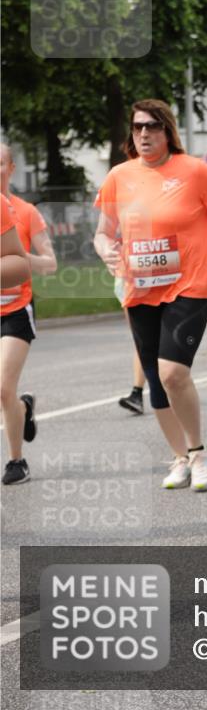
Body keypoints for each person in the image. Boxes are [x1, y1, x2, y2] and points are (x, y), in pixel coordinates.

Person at [94, 99, 207, 490]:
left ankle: (199, 453)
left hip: (189, 286)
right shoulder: (119, 176)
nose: (144, 134)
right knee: (155, 379)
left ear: (167, 131)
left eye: (152, 127)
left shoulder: (195, 172)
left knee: (173, 372)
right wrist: (106, 249)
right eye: (137, 127)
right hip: (139, 288)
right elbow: (104, 231)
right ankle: (179, 457)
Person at [1, 145, 57, 485]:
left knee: (3, 386)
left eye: (0, 163)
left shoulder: (25, 212)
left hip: (16, 309)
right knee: (7, 393)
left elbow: (50, 263)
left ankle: (16, 461)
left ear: (11, 167)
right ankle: (22, 408)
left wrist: (20, 258)